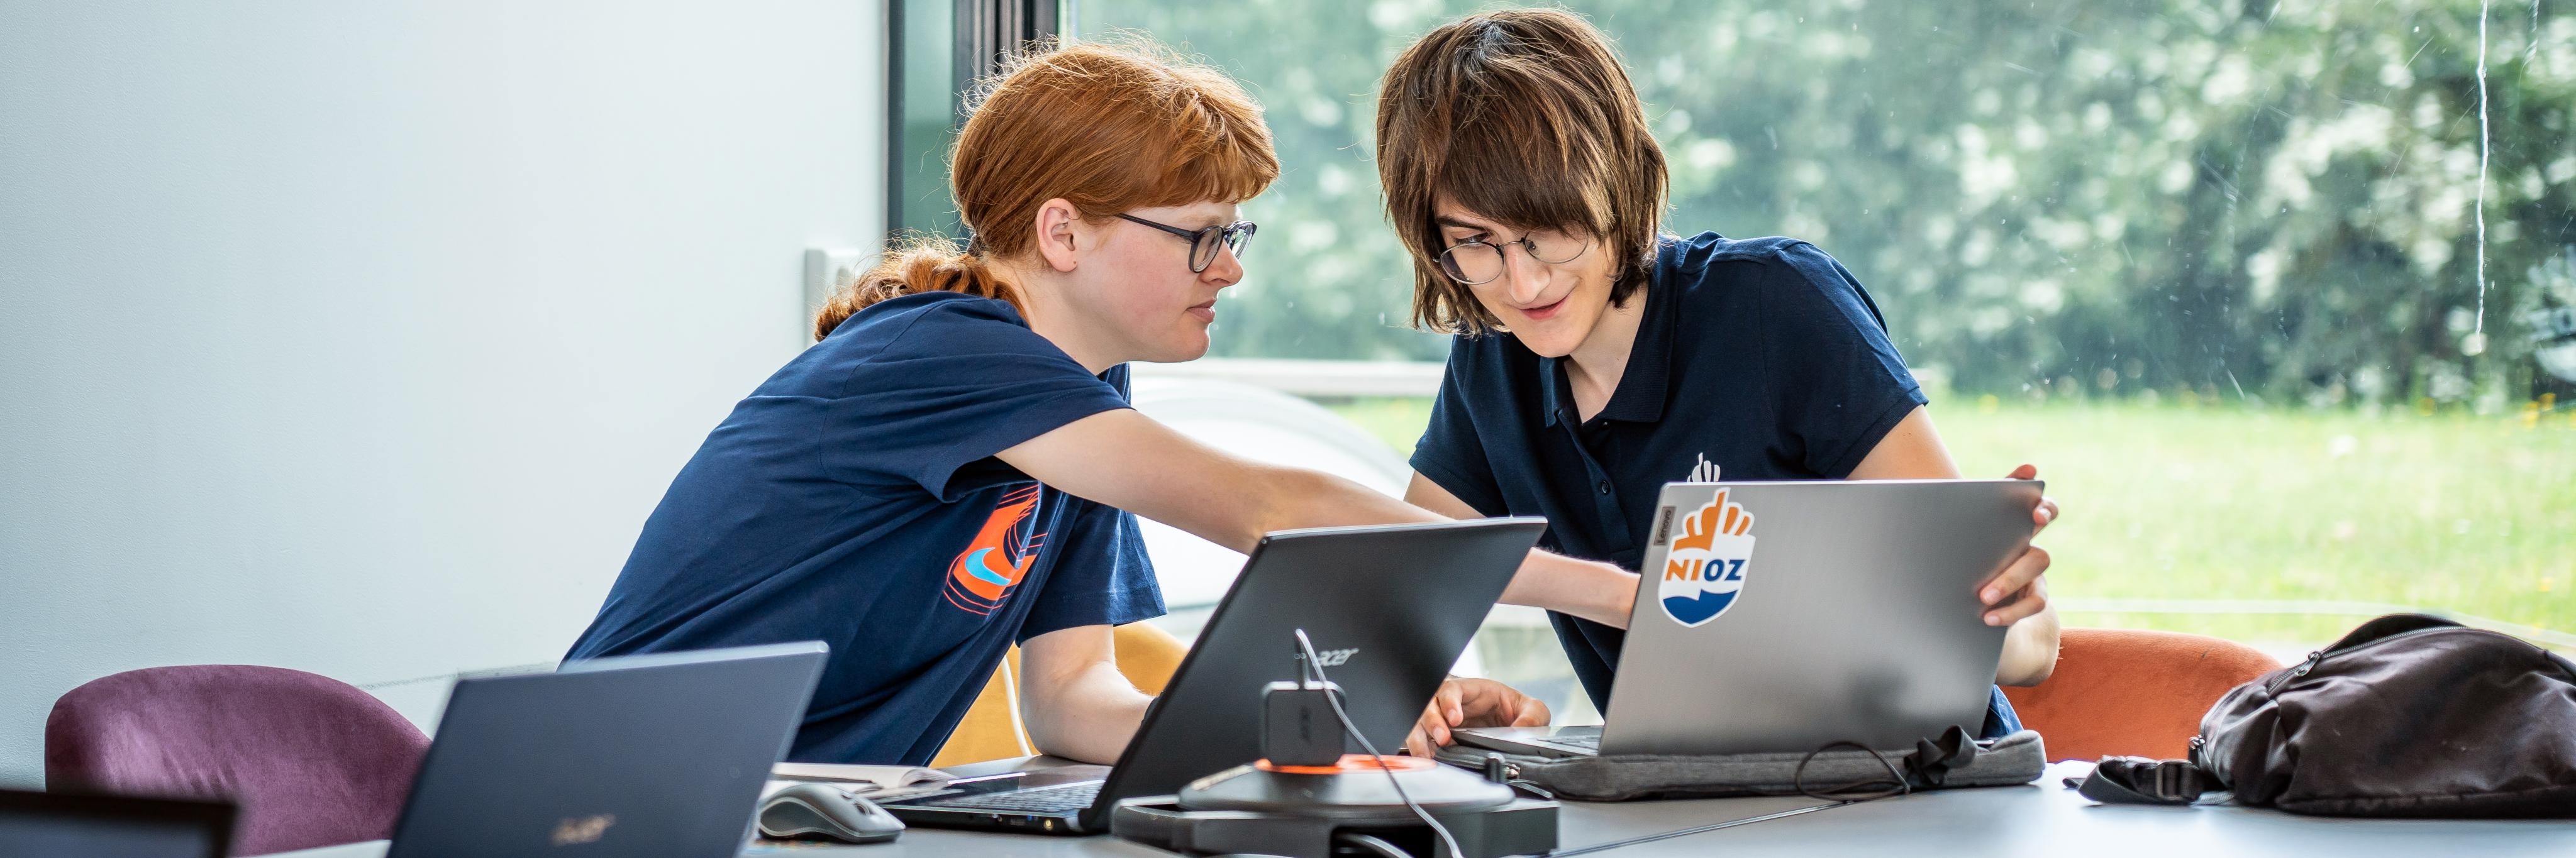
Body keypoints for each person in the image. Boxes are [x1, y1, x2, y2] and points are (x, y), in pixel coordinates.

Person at [564, 40, 1623, 767]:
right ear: (1063, 234)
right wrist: (1619, 594)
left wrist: (1334, 719)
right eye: (1202, 236)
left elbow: (1074, 703)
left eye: (1234, 237)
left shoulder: (1078, 409)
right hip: (622, 799)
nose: (1229, 271)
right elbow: (1264, 507)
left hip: (798, 814)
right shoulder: (943, 354)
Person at [1378, 9, 2064, 756]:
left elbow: (2033, 644)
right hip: (1691, 807)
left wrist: (2006, 620)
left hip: (1920, 794)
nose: (1523, 279)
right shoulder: (1492, 359)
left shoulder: (1779, 306)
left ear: (1619, 180)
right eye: (1474, 243)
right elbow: (1394, 592)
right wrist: (1426, 689)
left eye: (1548, 231)